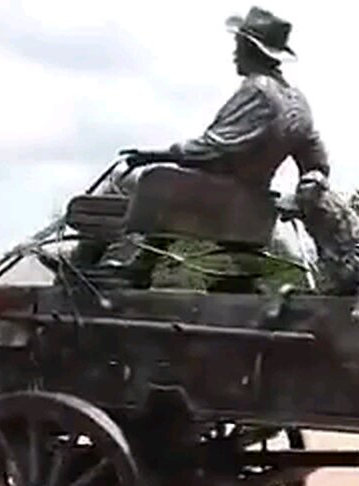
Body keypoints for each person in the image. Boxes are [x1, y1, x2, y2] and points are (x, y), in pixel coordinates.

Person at [77, 6, 330, 286]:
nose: (234, 53)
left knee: (125, 181)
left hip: (222, 198)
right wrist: (305, 194)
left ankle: (85, 265)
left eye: (238, 46)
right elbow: (316, 163)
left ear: (251, 49)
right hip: (252, 197)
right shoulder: (298, 102)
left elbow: (213, 148)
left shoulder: (258, 91)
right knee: (179, 181)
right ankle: (141, 263)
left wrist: (155, 155)